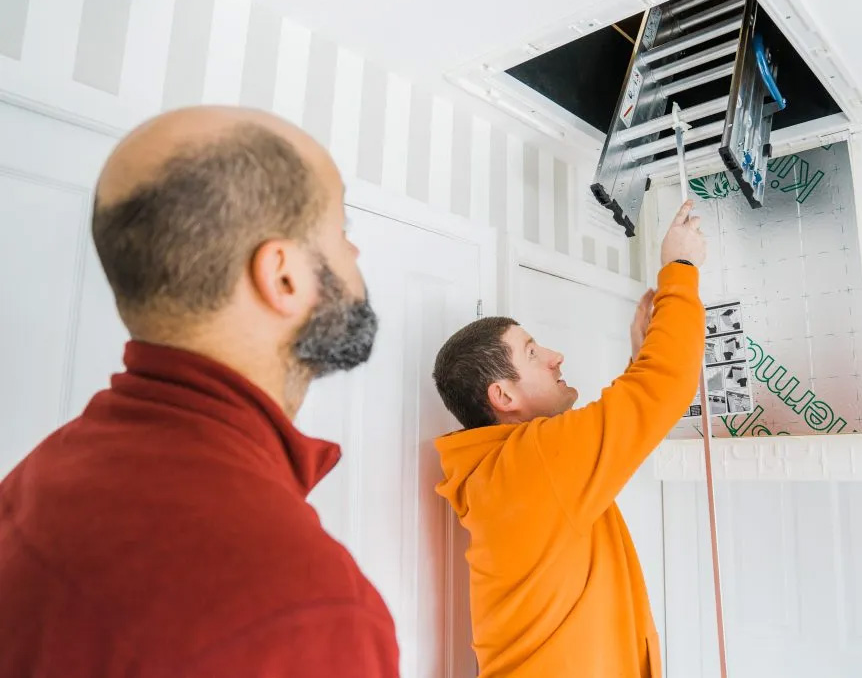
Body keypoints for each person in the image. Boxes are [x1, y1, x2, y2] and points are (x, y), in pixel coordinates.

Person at [0, 107, 398, 677]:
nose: (355, 256)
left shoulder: (49, 473)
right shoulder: (303, 609)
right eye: (341, 233)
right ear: (283, 277)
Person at [431, 200, 707, 677]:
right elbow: (664, 387)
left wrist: (642, 361)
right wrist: (679, 270)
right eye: (532, 352)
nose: (556, 356)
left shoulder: (510, 473)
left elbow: (628, 418)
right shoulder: (530, 465)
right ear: (503, 394)